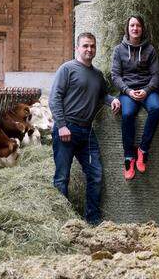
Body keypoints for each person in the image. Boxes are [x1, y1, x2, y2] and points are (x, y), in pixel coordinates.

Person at [49, 32, 121, 225]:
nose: (89, 49)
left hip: (87, 133)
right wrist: (62, 126)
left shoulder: (97, 75)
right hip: (66, 131)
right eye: (85, 46)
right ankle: (62, 221)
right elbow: (54, 98)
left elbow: (102, 95)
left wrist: (112, 99)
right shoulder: (67, 69)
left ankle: (93, 219)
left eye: (92, 46)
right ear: (77, 48)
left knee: (95, 174)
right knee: (62, 177)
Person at [111, 16, 159, 180]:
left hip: (147, 90)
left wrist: (147, 90)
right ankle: (129, 157)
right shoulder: (119, 50)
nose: (135, 28)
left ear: (142, 29)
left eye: (138, 25)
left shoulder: (150, 50)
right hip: (128, 92)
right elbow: (115, 76)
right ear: (127, 28)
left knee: (156, 108)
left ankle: (143, 150)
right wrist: (127, 91)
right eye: (132, 25)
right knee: (127, 115)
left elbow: (156, 75)